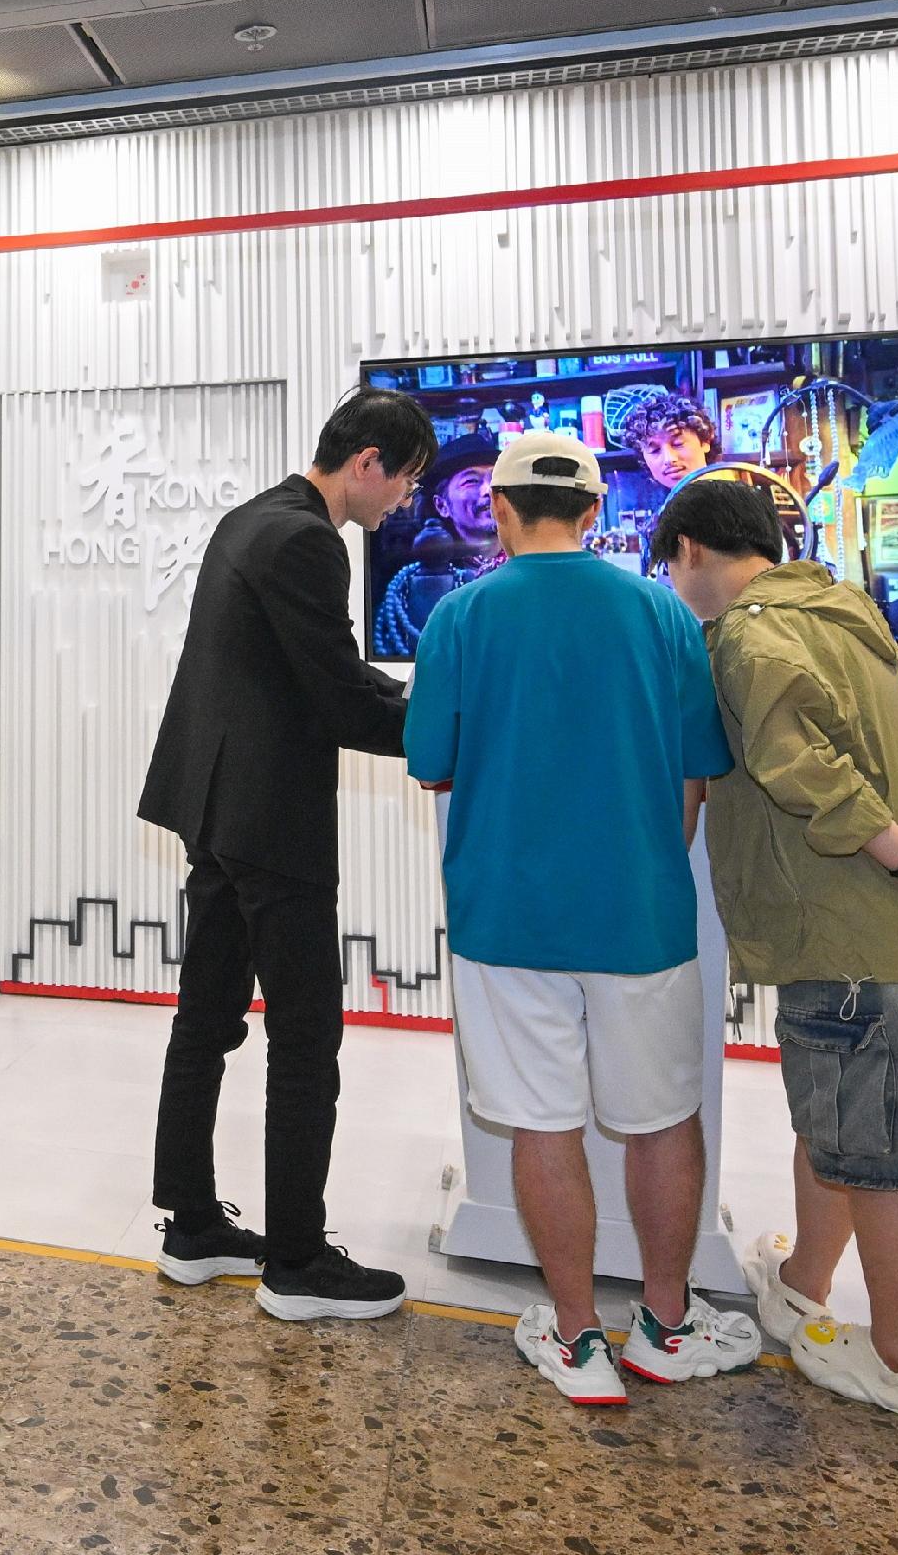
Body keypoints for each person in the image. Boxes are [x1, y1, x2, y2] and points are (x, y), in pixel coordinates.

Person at [402, 434, 754, 1407]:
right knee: (661, 1121)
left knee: (541, 1125)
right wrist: (644, 854)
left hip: (506, 916)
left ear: (502, 508)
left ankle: (574, 1339)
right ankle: (666, 1324)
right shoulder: (661, 614)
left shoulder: (459, 616)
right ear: (595, 513)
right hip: (640, 914)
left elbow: (431, 760)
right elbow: (696, 770)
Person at [655, 472, 898, 1430]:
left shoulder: (749, 637)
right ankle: (801, 1285)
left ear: (688, 552)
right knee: (848, 1122)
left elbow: (809, 774)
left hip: (852, 923)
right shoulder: (844, 611)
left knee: (885, 1154)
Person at [136, 385, 433, 1321]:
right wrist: (448, 732)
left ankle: (191, 1226)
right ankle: (297, 1260)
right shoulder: (309, 540)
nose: (404, 504)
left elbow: (304, 678)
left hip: (216, 809)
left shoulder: (254, 515)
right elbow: (338, 697)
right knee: (307, 1036)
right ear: (369, 462)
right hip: (269, 821)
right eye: (407, 482)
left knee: (208, 1018)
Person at [367, 437, 502, 655]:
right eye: (471, 482)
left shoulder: (527, 563)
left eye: (495, 480)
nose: (488, 490)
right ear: (442, 505)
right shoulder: (415, 582)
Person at [598, 385, 719, 538]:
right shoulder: (658, 524)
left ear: (705, 441)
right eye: (655, 451)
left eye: (678, 444)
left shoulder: (733, 504)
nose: (669, 459)